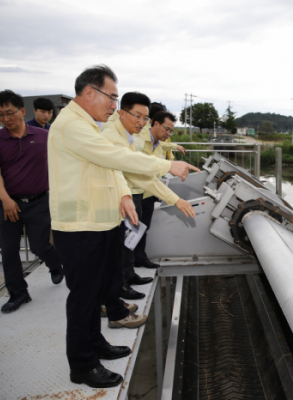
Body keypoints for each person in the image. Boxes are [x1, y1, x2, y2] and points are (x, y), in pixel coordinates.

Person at [48, 65, 195, 389]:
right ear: (90, 93)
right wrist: (167, 165)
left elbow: (111, 165)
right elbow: (117, 158)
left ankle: (96, 344)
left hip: (98, 221)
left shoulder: (89, 125)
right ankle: (83, 365)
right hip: (79, 226)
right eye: (112, 97)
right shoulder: (73, 126)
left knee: (96, 289)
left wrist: (125, 195)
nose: (114, 105)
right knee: (84, 297)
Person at [101, 93, 196, 305]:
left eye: (144, 118)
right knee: (122, 240)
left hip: (137, 190)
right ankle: (120, 285)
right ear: (121, 112)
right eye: (139, 117)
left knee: (132, 233)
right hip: (122, 195)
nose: (141, 123)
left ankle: (128, 275)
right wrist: (169, 169)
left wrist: (175, 199)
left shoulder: (127, 135)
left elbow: (141, 173)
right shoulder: (118, 137)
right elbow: (137, 167)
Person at [0, 90, 63, 313]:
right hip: (8, 203)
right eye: (0, 115)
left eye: (10, 113)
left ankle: (55, 263)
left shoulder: (44, 136)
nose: (5, 119)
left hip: (39, 202)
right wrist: (5, 199)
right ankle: (18, 293)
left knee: (39, 246)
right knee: (9, 251)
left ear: (22, 111)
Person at [134, 105, 186, 269]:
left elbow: (164, 146)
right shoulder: (138, 139)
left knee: (143, 228)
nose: (168, 134)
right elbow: (138, 166)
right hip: (134, 192)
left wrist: (174, 146)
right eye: (167, 129)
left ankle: (140, 258)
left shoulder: (158, 143)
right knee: (131, 230)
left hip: (149, 192)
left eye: (171, 131)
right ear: (155, 123)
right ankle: (126, 271)